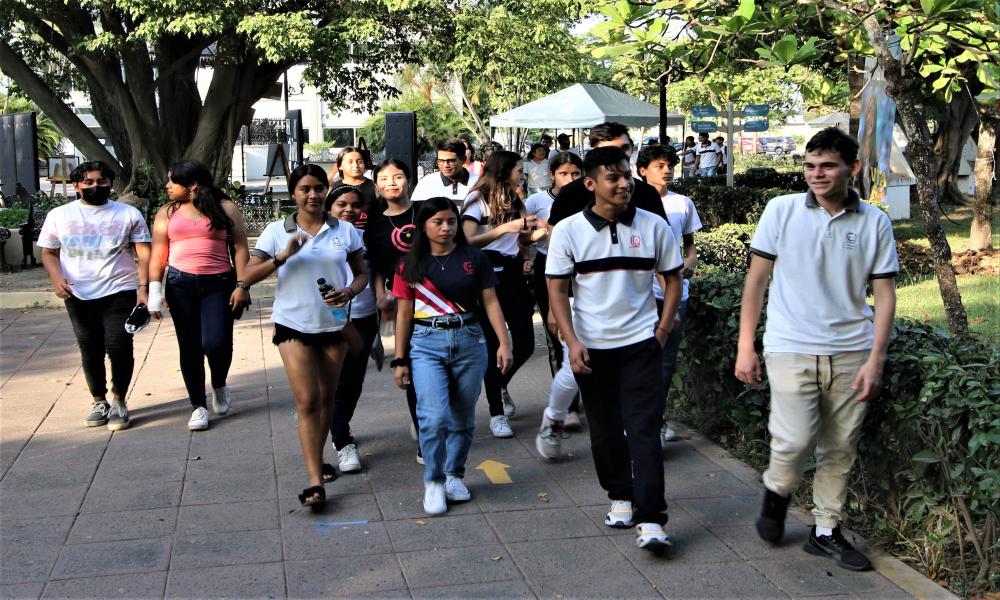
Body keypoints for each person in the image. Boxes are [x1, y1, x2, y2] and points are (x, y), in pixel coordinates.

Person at [735, 127, 898, 571]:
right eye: (810, 166)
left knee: (841, 445)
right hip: (790, 346)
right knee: (794, 440)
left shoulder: (874, 221)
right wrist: (745, 345)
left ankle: (825, 529)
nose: (816, 174)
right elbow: (756, 280)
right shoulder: (781, 210)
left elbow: (884, 293)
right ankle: (777, 490)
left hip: (851, 351)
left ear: (853, 168)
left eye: (827, 166)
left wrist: (875, 357)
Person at [547, 146, 683, 551]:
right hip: (592, 348)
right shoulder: (570, 230)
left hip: (641, 344)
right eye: (614, 177)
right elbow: (556, 288)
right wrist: (571, 342)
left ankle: (652, 519)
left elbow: (672, 279)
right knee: (605, 432)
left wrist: (661, 329)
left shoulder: (654, 225)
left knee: (643, 430)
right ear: (591, 184)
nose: (624, 183)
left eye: (626, 175)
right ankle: (620, 497)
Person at [243, 164, 368, 510]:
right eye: (305, 189)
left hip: (335, 325)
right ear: (293, 192)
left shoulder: (345, 230)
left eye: (318, 188)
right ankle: (314, 479)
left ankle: (318, 459)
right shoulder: (275, 231)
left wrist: (349, 291)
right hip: (292, 326)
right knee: (307, 401)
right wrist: (283, 256)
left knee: (327, 400)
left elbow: (362, 275)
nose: (313, 195)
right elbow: (248, 275)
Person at [392, 197, 513, 515]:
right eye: (438, 222)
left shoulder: (474, 258)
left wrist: (504, 341)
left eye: (451, 221)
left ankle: (453, 475)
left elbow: (490, 302)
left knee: (463, 416)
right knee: (432, 416)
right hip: (425, 343)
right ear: (423, 226)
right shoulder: (409, 264)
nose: (446, 228)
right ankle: (432, 481)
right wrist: (399, 358)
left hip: (470, 340)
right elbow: (403, 315)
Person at [38, 161, 152, 431]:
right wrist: (56, 279)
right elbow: (49, 253)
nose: (95, 186)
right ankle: (98, 400)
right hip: (77, 293)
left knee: (118, 345)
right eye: (88, 182)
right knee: (90, 348)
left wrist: (144, 288)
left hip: (119, 289)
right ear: (77, 186)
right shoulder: (59, 215)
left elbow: (144, 253)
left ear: (110, 183)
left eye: (101, 181)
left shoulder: (128, 214)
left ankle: (119, 401)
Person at [148, 160, 250, 431]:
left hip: (219, 284)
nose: (167, 186)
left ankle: (219, 383)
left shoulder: (225, 207)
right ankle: (198, 406)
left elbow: (240, 248)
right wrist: (154, 292)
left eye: (173, 181)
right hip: (181, 284)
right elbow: (159, 253)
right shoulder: (167, 213)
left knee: (216, 343)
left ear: (192, 185)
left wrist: (242, 285)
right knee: (190, 346)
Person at [461, 151, 536, 438]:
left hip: (514, 271)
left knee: (525, 342)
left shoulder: (515, 199)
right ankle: (496, 411)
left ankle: (499, 384)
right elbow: (467, 240)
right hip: (487, 273)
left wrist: (533, 233)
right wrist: (505, 227)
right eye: (519, 169)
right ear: (504, 171)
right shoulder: (476, 199)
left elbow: (520, 238)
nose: (523, 174)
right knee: (494, 343)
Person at [636, 145, 702, 446]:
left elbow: (690, 246)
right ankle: (639, 422)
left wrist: (688, 264)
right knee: (641, 361)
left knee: (666, 363)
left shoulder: (683, 204)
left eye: (670, 165)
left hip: (678, 292)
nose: (667, 170)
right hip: (642, 294)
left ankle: (657, 420)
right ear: (642, 171)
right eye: (660, 165)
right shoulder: (632, 203)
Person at [524, 151, 586, 446]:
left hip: (583, 274)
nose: (570, 179)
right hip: (550, 269)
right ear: (552, 175)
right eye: (564, 174)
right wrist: (538, 231)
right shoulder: (538, 201)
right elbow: (522, 236)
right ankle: (567, 407)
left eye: (576, 174)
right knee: (560, 339)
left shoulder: (592, 201)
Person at [365, 158, 424, 462]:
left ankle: (429, 419)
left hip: (432, 298)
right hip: (400, 298)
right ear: (376, 186)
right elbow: (376, 266)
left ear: (409, 181)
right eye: (385, 179)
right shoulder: (375, 225)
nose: (392, 183)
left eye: (398, 177)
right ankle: (421, 422)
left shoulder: (424, 211)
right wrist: (380, 295)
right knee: (411, 361)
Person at [326, 185, 379, 474]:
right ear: (329, 206)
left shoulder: (367, 237)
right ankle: (342, 440)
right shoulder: (320, 237)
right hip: (329, 319)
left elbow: (374, 276)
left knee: (354, 380)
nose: (349, 210)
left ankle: (340, 427)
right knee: (335, 381)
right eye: (342, 204)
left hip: (364, 314)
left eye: (356, 205)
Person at [548, 122, 667, 226]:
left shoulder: (648, 194)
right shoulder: (570, 194)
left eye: (625, 148)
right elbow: (556, 239)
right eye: (610, 150)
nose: (620, 155)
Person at [412, 139, 480, 203]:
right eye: (441, 161)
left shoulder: (479, 183)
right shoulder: (426, 183)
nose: (445, 165)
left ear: (463, 159)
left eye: (451, 161)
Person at [327, 147, 377, 214]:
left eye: (359, 162)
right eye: (350, 162)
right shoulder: (336, 187)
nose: (355, 165)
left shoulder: (374, 186)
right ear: (340, 166)